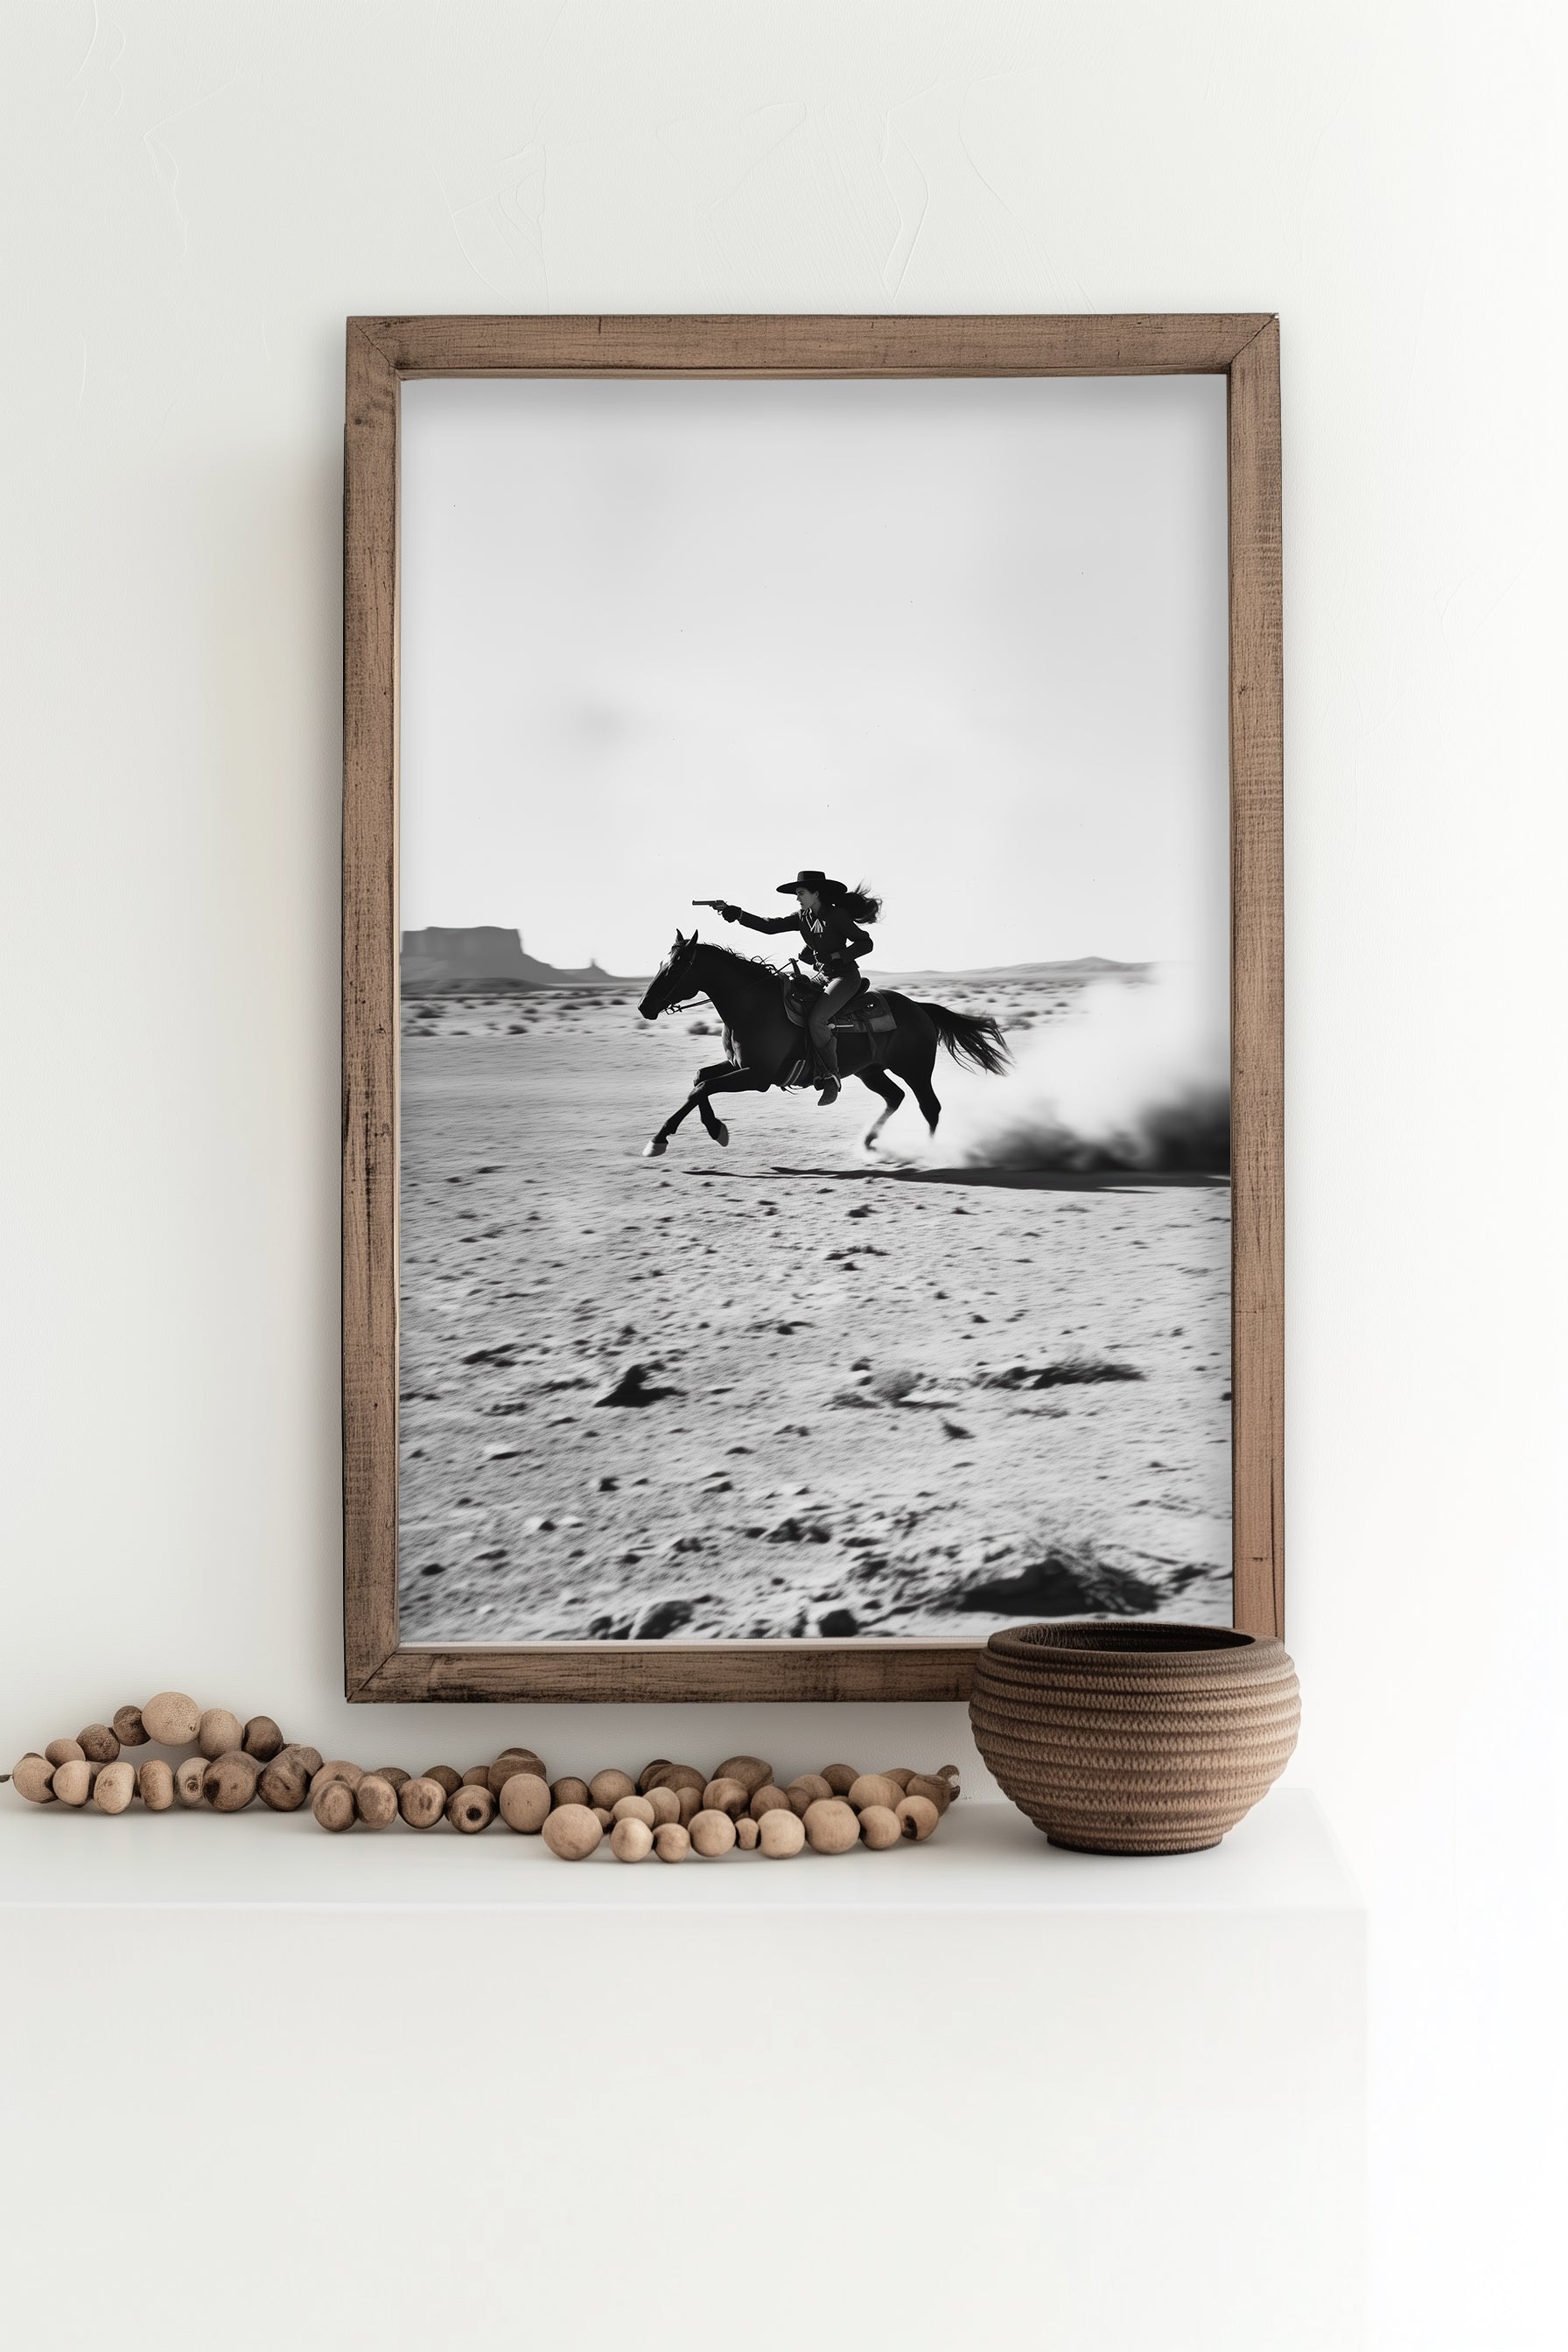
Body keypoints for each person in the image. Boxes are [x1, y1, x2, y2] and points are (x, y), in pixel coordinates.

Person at [714, 870, 880, 1104]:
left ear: (816, 893)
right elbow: (769, 926)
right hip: (822, 977)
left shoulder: (837, 915)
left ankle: (831, 1076)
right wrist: (738, 914)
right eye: (797, 894)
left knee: (817, 1020)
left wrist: (835, 955)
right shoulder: (802, 917)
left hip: (844, 977)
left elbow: (866, 943)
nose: (797, 898)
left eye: (801, 893)